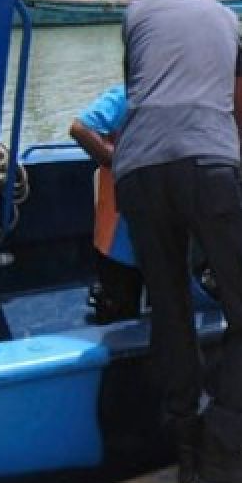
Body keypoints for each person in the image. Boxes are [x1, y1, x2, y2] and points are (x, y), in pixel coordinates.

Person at [114, 0, 242, 483]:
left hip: (136, 169)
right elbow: (240, 101)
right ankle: (226, 451)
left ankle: (187, 450)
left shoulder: (135, 14)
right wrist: (231, 147)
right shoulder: (222, 15)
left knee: (170, 310)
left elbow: (137, 92)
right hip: (206, 164)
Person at [68, 84, 143, 324]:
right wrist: (120, 161)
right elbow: (80, 128)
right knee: (119, 309)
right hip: (119, 232)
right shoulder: (126, 95)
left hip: (161, 224)